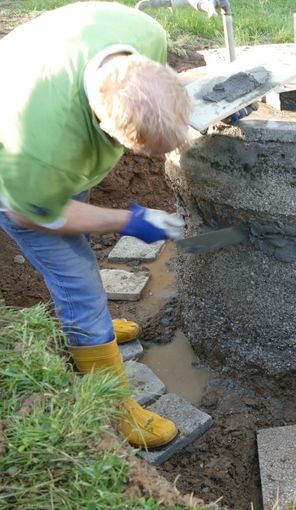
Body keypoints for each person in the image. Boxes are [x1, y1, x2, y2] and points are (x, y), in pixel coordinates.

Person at [0, 1, 191, 449]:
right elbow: (31, 214)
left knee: (76, 223)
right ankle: (111, 400)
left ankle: (92, 334)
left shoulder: (144, 32)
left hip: (39, 90)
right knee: (78, 279)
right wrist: (130, 220)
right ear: (99, 122)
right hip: (14, 181)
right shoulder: (39, 148)